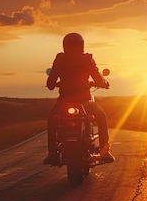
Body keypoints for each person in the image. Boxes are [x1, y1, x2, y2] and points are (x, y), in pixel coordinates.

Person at [43, 32, 114, 165]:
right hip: (85, 101)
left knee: (52, 118)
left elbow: (50, 83)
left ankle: (52, 153)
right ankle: (104, 151)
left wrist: (53, 83)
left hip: (64, 102)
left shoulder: (60, 59)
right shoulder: (87, 59)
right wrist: (104, 84)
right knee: (102, 117)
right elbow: (98, 78)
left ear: (65, 46)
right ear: (81, 45)